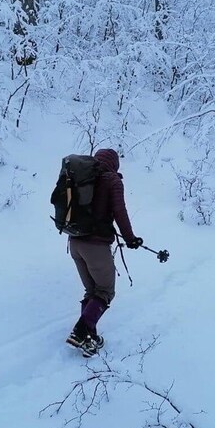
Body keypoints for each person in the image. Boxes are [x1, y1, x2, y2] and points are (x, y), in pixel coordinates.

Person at [65, 149, 142, 357]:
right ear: (115, 164)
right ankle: (80, 331)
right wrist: (130, 238)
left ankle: (89, 341)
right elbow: (120, 211)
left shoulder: (82, 176)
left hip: (75, 244)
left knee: (92, 293)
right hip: (96, 247)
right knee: (105, 292)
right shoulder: (112, 180)